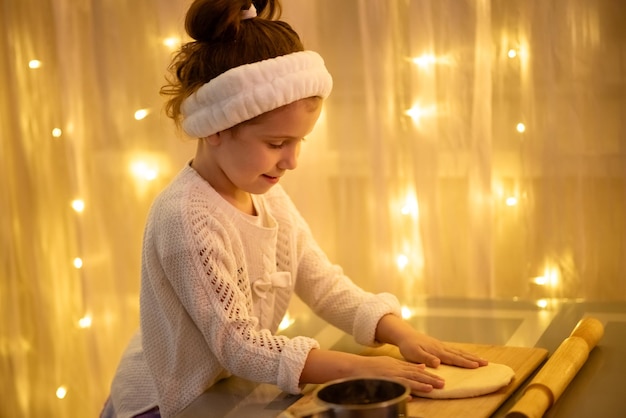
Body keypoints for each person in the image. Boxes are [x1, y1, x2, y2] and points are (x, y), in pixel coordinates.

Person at [101, 1, 488, 417]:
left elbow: (322, 283)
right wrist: (363, 368)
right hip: (166, 404)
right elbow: (241, 347)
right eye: (275, 143)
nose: (292, 161)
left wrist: (400, 333)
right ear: (215, 127)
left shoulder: (268, 198)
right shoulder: (186, 218)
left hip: (228, 393)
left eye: (299, 141)